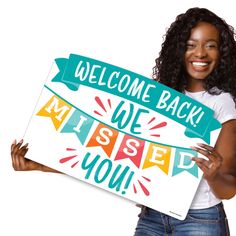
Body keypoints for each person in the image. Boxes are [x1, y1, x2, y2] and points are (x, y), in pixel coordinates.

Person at [11, 7, 236, 236]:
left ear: (222, 52)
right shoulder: (158, 98)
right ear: (178, 50)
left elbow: (229, 188)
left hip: (200, 220)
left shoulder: (222, 103)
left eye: (211, 45)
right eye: (190, 45)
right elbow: (112, 160)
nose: (200, 53)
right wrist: (40, 164)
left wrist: (213, 175)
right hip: (152, 217)